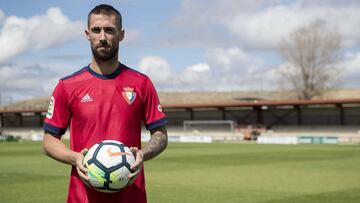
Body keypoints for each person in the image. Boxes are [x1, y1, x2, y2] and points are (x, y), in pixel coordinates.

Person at [42, 4, 168, 203]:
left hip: (131, 196)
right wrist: (75, 157)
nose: (102, 37)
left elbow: (160, 135)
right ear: (87, 34)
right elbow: (49, 141)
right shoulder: (67, 86)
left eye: (109, 30)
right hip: (81, 197)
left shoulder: (142, 83)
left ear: (122, 34)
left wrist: (143, 153)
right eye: (96, 30)